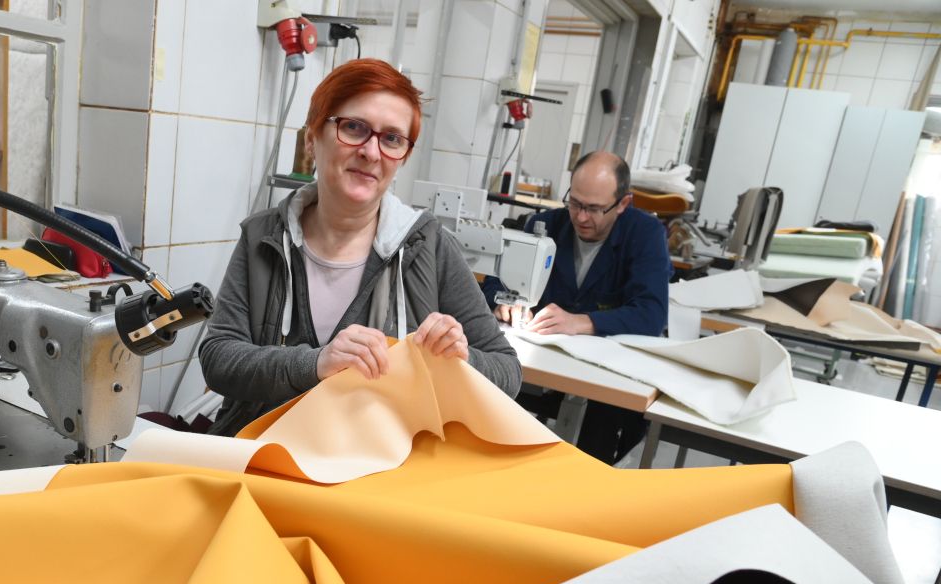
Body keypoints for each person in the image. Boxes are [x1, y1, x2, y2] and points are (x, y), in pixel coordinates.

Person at [200, 59, 521, 437]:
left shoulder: (429, 247)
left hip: (384, 460)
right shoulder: (264, 237)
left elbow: (508, 372)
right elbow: (218, 357)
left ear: (403, 157)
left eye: (392, 139)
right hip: (265, 450)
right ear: (312, 138)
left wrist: (460, 360)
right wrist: (315, 364)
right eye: (353, 127)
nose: (371, 152)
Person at [482, 151, 672, 464]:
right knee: (495, 393)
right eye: (575, 203)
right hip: (546, 361)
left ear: (623, 203)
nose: (581, 217)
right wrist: (504, 302)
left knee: (600, 430)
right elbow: (494, 282)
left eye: (594, 209)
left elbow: (651, 314)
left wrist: (583, 322)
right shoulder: (545, 224)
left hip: (605, 375)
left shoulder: (645, 235)